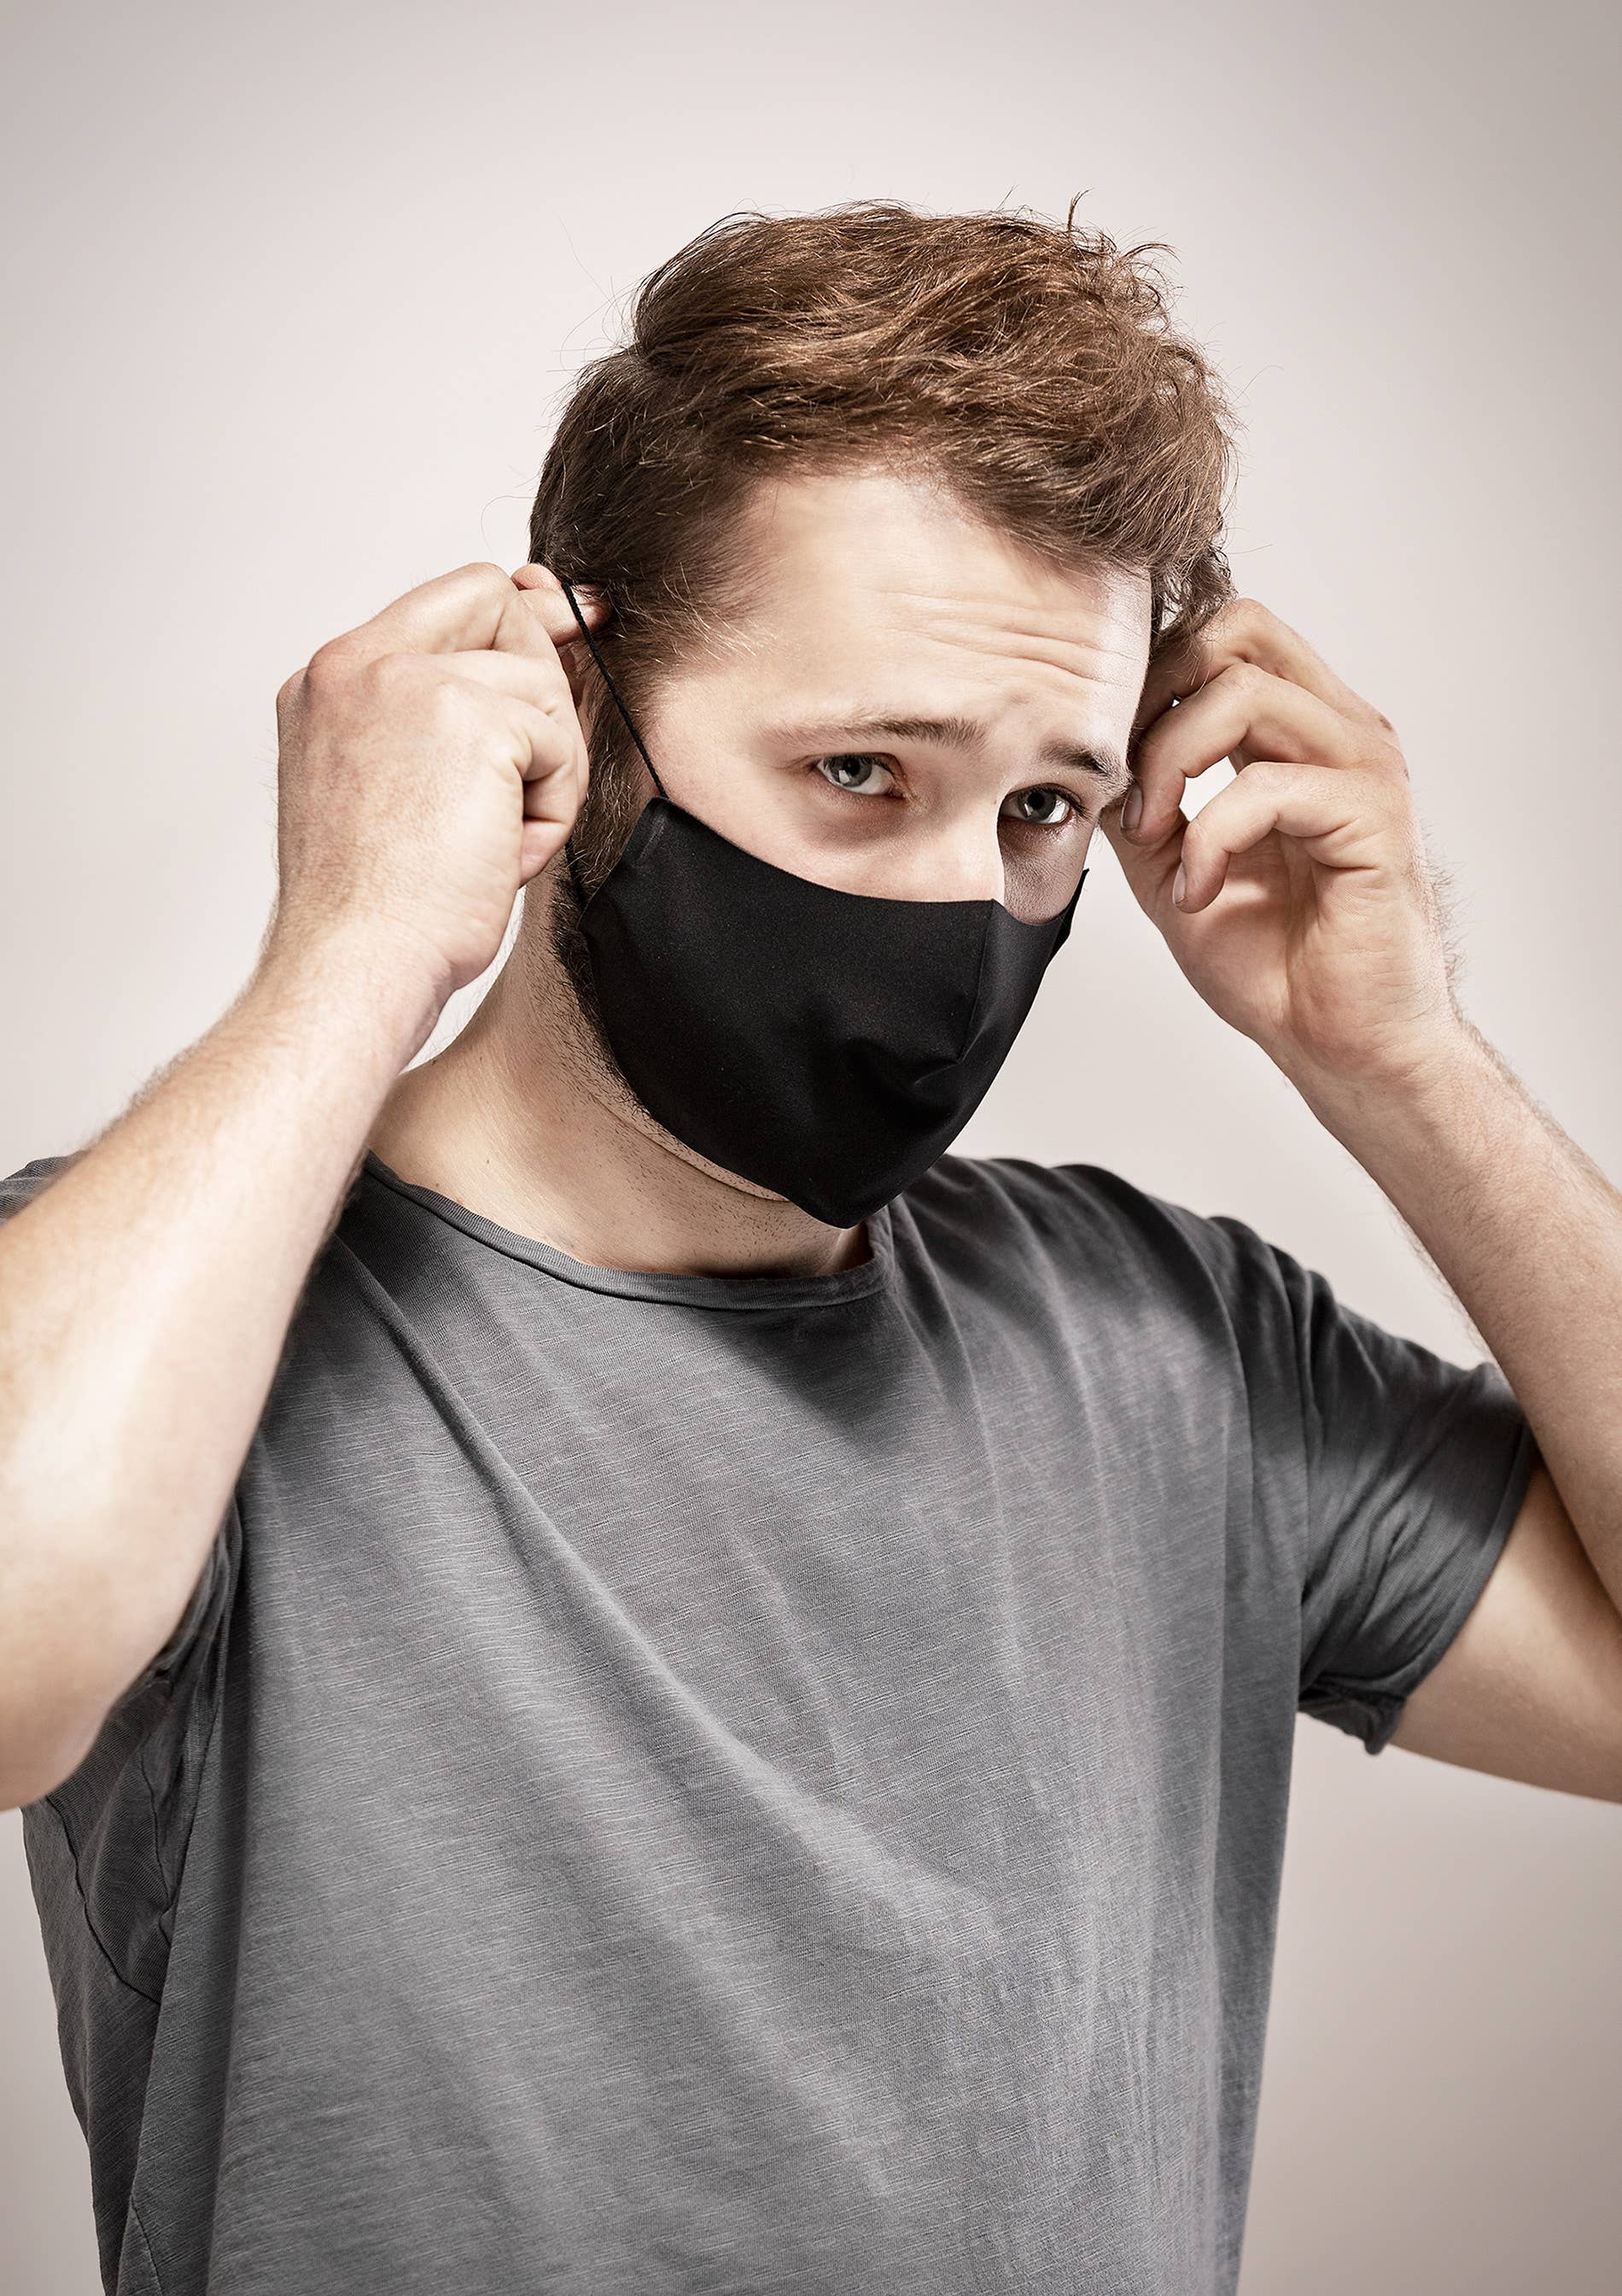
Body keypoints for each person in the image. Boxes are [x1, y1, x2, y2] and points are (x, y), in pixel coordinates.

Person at [1, 199, 1617, 2296]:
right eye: (861, 769)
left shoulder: (1171, 1346)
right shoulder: (177, 1313)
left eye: (1042, 809)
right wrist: (354, 946)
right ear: (575, 715)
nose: (958, 904)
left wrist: (1402, 1061)